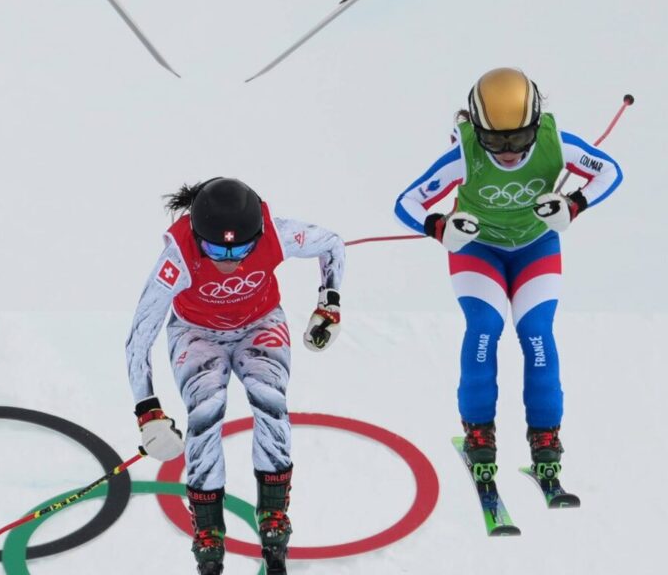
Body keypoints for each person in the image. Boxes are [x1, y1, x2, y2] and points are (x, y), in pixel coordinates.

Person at [393, 68, 624, 483]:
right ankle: (479, 432)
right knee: (484, 328)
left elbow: (610, 170)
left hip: (535, 249)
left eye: (519, 139)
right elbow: (407, 201)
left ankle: (545, 436)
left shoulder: (556, 143)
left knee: (536, 333)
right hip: (479, 251)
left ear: (536, 125)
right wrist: (439, 227)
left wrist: (574, 204)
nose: (508, 152)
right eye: (494, 141)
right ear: (477, 130)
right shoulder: (465, 155)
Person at [126, 177, 345, 574]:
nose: (229, 261)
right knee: (205, 410)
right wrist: (148, 412)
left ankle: (274, 513)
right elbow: (140, 335)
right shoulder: (177, 257)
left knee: (270, 399)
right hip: (196, 333)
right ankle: (208, 528)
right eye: (214, 250)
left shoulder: (277, 235)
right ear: (197, 238)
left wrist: (329, 303)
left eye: (243, 249)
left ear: (258, 234)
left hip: (259, 324)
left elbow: (331, 243)